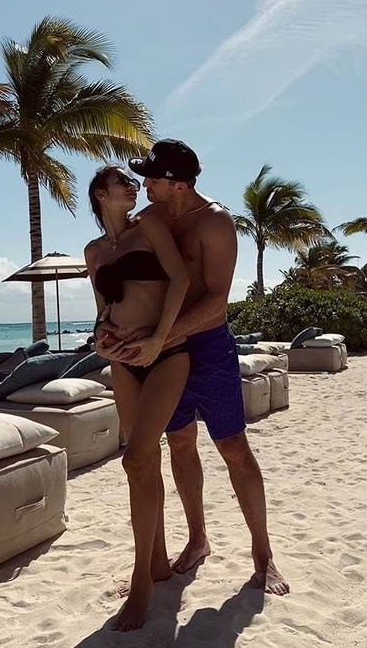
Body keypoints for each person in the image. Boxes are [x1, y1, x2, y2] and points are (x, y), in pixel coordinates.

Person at [95, 139, 289, 596]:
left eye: (151, 179)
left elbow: (217, 302)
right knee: (180, 442)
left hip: (206, 345)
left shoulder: (215, 221)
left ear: (177, 185)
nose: (144, 184)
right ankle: (198, 539)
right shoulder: (151, 219)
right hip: (162, 350)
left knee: (233, 446)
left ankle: (263, 556)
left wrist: (161, 337)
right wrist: (110, 330)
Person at [84, 164, 190, 631]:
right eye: (121, 182)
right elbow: (102, 309)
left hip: (165, 353)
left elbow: (180, 281)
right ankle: (158, 562)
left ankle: (141, 581)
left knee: (134, 458)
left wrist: (158, 339)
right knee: (143, 464)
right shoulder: (93, 251)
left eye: (134, 181)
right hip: (122, 360)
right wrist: (99, 337)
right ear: (100, 194)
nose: (132, 186)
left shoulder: (149, 226)